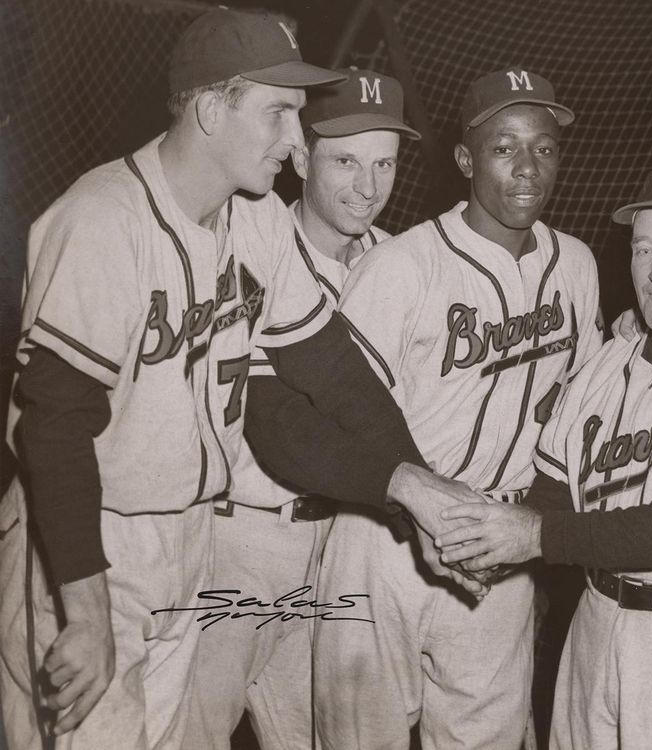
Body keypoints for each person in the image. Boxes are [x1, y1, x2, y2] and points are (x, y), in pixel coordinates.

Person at [0, 10, 481, 749]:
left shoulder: (253, 223)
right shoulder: (100, 222)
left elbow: (330, 366)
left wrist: (417, 487)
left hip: (186, 540)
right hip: (85, 543)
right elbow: (54, 426)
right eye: (280, 113)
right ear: (210, 109)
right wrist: (86, 609)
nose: (297, 141)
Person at [297, 68, 604, 749]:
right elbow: (329, 416)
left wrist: (539, 533)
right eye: (504, 146)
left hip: (502, 541)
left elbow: (581, 413)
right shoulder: (403, 266)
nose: (528, 167)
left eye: (545, 147)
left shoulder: (577, 266)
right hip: (383, 539)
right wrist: (410, 511)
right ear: (466, 159)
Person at [436, 166, 652, 748]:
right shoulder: (605, 364)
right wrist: (485, 549)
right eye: (643, 248)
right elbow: (552, 493)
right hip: (594, 628)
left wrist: (535, 538)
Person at [183, 67, 421, 750]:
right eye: (346, 160)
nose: (367, 187)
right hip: (241, 542)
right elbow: (282, 419)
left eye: (385, 164)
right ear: (300, 153)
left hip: (344, 546)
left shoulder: (406, 264)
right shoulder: (251, 251)